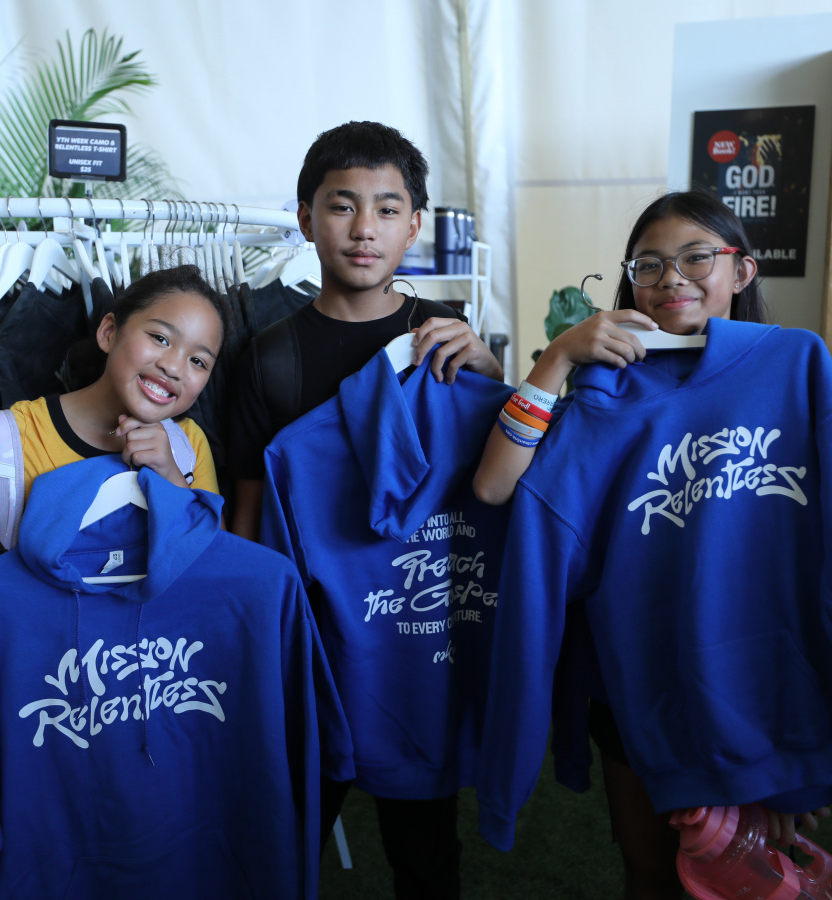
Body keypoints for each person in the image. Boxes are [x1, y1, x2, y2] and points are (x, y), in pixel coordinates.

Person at [473, 191, 832, 900]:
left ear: (742, 270)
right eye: (649, 264)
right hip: (637, 681)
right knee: (650, 869)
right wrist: (557, 357)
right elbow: (494, 485)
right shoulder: (604, 392)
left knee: (755, 877)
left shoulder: (797, 369)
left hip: (762, 677)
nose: (671, 278)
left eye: (696, 258)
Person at [227, 120, 503, 898]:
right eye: (342, 206)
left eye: (387, 209)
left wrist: (490, 368)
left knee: (425, 846)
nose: (363, 229)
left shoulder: (445, 335)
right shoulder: (272, 357)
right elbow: (248, 511)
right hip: (310, 635)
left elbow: (495, 477)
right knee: (290, 828)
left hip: (416, 636)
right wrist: (253, 641)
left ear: (415, 225)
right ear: (306, 218)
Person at [0, 265, 227, 816]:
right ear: (108, 332)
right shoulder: (2, 445)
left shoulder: (188, 447)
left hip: (145, 716)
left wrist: (172, 482)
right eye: (160, 337)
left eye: (199, 361)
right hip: (30, 721)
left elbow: (208, 591)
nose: (174, 366)